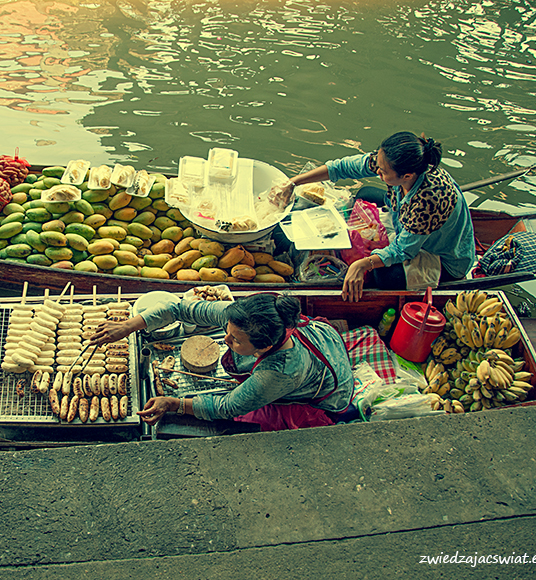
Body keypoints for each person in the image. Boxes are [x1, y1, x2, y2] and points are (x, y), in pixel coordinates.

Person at [89, 292, 356, 431]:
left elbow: (227, 405)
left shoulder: (281, 371)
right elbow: (179, 309)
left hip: (323, 396)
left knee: (248, 417)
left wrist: (174, 403)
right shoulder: (245, 317)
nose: (225, 340)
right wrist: (128, 325)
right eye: (226, 332)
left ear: (263, 347)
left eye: (236, 341)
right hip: (318, 346)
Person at [272, 131, 475, 301]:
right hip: (405, 223)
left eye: (383, 171)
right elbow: (342, 167)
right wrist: (294, 182)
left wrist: (361, 264)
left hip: (442, 257)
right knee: (365, 194)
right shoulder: (397, 163)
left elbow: (404, 250)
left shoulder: (429, 200)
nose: (377, 170)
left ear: (407, 176)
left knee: (383, 274)